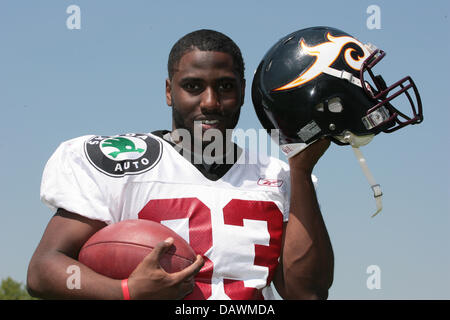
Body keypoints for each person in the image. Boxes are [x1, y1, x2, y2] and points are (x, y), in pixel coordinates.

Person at [27, 29, 334, 300]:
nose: (211, 102)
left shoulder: (278, 177)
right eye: (193, 86)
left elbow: (307, 293)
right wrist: (126, 292)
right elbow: (43, 270)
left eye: (225, 87)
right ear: (168, 91)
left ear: (242, 92)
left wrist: (301, 171)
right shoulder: (124, 162)